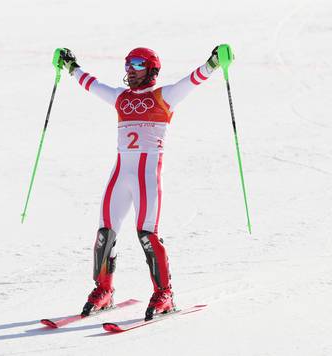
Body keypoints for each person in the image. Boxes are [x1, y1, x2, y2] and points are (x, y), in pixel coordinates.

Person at [58, 46, 222, 320]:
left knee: (147, 234)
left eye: (136, 64)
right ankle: (104, 290)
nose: (129, 70)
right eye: (126, 64)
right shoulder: (121, 98)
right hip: (121, 174)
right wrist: (71, 67)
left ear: (151, 69)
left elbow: (194, 79)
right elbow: (93, 85)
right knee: (104, 233)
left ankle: (164, 294)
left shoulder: (163, 96)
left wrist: (214, 62)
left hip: (146, 176)